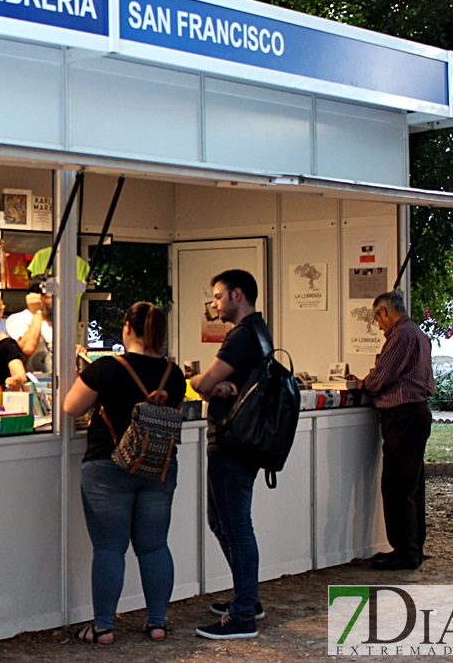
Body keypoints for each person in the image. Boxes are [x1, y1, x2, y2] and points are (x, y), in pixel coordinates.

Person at [62, 302, 186, 645]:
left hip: (109, 465)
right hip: (158, 467)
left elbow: (71, 406)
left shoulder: (106, 368)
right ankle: (157, 622)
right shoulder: (173, 374)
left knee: (109, 548)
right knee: (155, 546)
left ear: (127, 329)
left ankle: (103, 627)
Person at [189, 269, 268, 640]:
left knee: (233, 525)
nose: (214, 304)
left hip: (231, 442)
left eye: (218, 296)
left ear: (238, 295)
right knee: (225, 522)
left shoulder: (240, 337)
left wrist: (200, 383)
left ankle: (243, 614)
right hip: (245, 442)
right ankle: (245, 598)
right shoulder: (260, 331)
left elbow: (203, 383)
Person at [348, 289, 434, 571]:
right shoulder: (418, 334)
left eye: (377, 318)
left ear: (384, 311)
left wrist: (362, 383)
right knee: (411, 485)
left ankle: (404, 552)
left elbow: (381, 378)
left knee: (397, 485)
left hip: (402, 415)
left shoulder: (400, 336)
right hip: (417, 413)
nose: (378, 324)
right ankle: (413, 547)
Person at [5, 274, 53, 374]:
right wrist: (38, 312)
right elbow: (28, 347)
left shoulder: (58, 321)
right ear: (40, 297)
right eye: (52, 296)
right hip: (31, 385)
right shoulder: (16, 319)